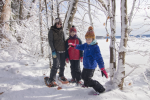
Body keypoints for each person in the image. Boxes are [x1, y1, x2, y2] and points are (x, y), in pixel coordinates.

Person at [69, 26, 108, 94]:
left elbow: (99, 58)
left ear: (93, 39)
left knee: (88, 79)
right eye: (86, 39)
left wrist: (102, 68)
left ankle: (100, 89)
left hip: (91, 66)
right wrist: (74, 45)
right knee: (83, 76)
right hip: (86, 65)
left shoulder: (95, 47)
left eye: (89, 39)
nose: (88, 40)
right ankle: (86, 84)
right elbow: (80, 46)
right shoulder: (86, 45)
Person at [44, 18, 68, 87]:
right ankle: (52, 79)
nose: (59, 25)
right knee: (55, 65)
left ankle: (61, 75)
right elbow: (50, 41)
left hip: (63, 50)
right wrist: (53, 50)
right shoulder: (51, 31)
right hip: (55, 51)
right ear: (55, 23)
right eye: (58, 23)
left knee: (62, 64)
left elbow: (63, 40)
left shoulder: (62, 31)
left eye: (60, 24)